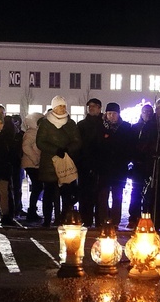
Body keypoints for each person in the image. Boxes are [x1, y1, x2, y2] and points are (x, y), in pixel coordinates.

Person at [36, 96, 82, 227]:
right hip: (49, 163)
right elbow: (40, 142)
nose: (62, 108)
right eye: (59, 106)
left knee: (66, 194)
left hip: (65, 163)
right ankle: (47, 218)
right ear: (54, 107)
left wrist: (68, 149)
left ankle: (64, 217)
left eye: (63, 106)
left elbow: (77, 141)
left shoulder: (70, 123)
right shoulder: (46, 123)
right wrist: (55, 150)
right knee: (49, 194)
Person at [95, 102, 131, 228]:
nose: (111, 116)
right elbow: (96, 146)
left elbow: (128, 147)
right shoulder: (100, 127)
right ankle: (103, 219)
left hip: (119, 168)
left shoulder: (126, 127)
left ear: (118, 114)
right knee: (103, 195)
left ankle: (115, 220)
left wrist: (125, 160)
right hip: (103, 167)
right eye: (109, 113)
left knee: (117, 196)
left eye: (114, 114)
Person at [127, 104, 158, 230]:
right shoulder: (135, 128)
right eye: (145, 111)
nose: (148, 114)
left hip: (151, 164)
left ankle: (147, 217)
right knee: (136, 192)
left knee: (149, 193)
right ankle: (133, 217)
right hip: (138, 165)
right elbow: (130, 145)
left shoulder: (155, 128)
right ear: (141, 113)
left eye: (150, 112)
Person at [76, 98, 103, 227]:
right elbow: (78, 145)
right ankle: (85, 219)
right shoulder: (81, 125)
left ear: (99, 108)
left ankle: (99, 220)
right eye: (89, 106)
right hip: (84, 165)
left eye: (94, 106)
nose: (91, 108)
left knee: (99, 195)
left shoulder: (104, 124)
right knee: (84, 195)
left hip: (100, 165)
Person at [21, 112, 44, 221]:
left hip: (33, 163)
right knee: (37, 186)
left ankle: (32, 210)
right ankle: (31, 211)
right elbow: (26, 147)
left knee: (37, 186)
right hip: (31, 164)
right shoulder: (32, 133)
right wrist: (36, 159)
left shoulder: (35, 132)